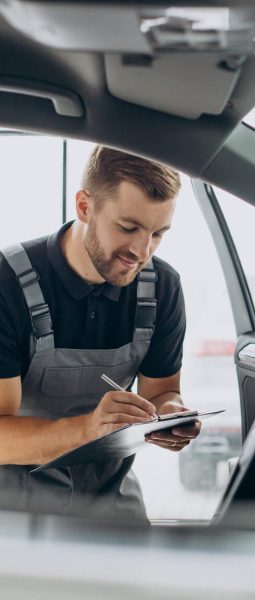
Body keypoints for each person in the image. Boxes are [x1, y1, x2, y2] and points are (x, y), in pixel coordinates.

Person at [0, 145, 200, 520]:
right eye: (128, 228)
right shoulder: (6, 284)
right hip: (14, 511)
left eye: (158, 233)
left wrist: (170, 416)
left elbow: (162, 392)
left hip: (112, 502)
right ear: (83, 206)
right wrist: (87, 429)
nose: (142, 251)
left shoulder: (163, 288)